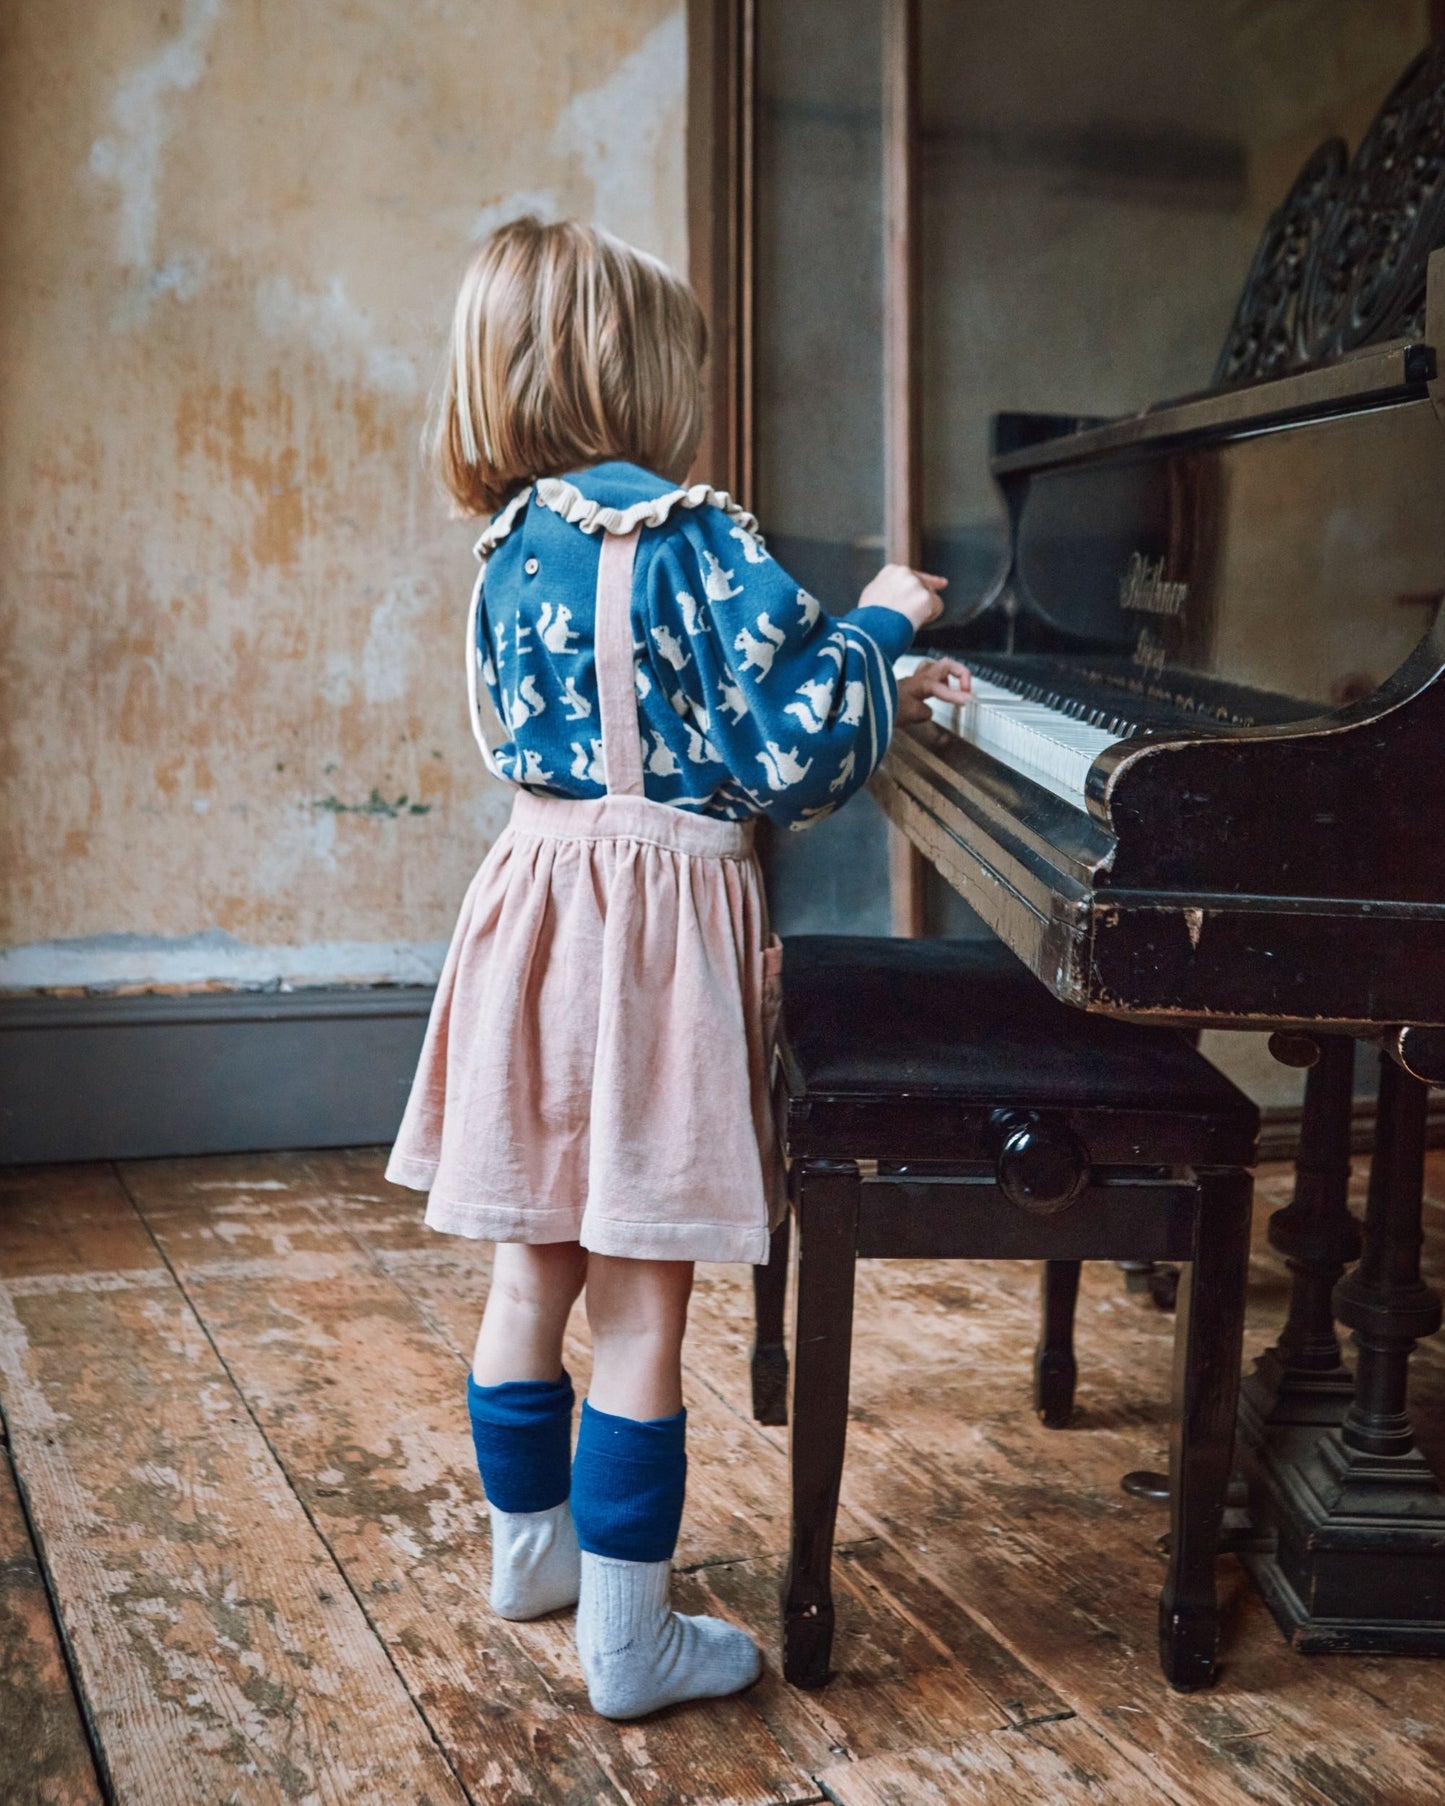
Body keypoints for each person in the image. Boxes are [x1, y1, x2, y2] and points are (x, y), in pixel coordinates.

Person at [386, 215, 969, 1720]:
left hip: (528, 913)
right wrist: (884, 626)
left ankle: (532, 1556)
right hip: (651, 943)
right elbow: (785, 746)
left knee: (533, 1269)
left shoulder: (506, 546)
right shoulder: (697, 530)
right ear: (637, 375)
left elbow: (628, 712)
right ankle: (631, 1646)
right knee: (643, 1301)